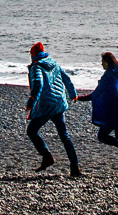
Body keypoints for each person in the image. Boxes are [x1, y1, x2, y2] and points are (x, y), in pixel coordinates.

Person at [75, 51, 118, 175]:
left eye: (102, 61)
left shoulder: (108, 76)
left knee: (102, 136)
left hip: (113, 111)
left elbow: (95, 94)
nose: (101, 63)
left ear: (107, 62)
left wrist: (78, 98)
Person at [25, 41, 81, 177]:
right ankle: (75, 168)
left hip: (46, 105)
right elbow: (66, 79)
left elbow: (38, 83)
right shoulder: (54, 63)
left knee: (32, 131)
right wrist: (73, 95)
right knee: (64, 136)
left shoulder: (36, 67)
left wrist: (31, 103)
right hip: (59, 103)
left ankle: (47, 156)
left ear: (33, 54)